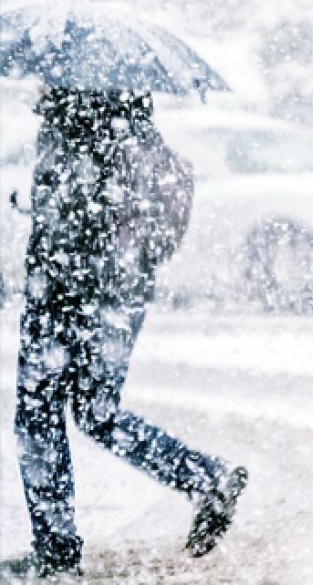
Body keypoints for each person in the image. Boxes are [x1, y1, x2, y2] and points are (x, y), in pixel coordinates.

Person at [2, 88, 249, 578]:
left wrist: (51, 228)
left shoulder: (75, 122)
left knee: (39, 416)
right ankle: (205, 477)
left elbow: (79, 215)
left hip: (67, 291)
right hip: (120, 294)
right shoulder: (134, 126)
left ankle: (55, 555)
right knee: (96, 412)